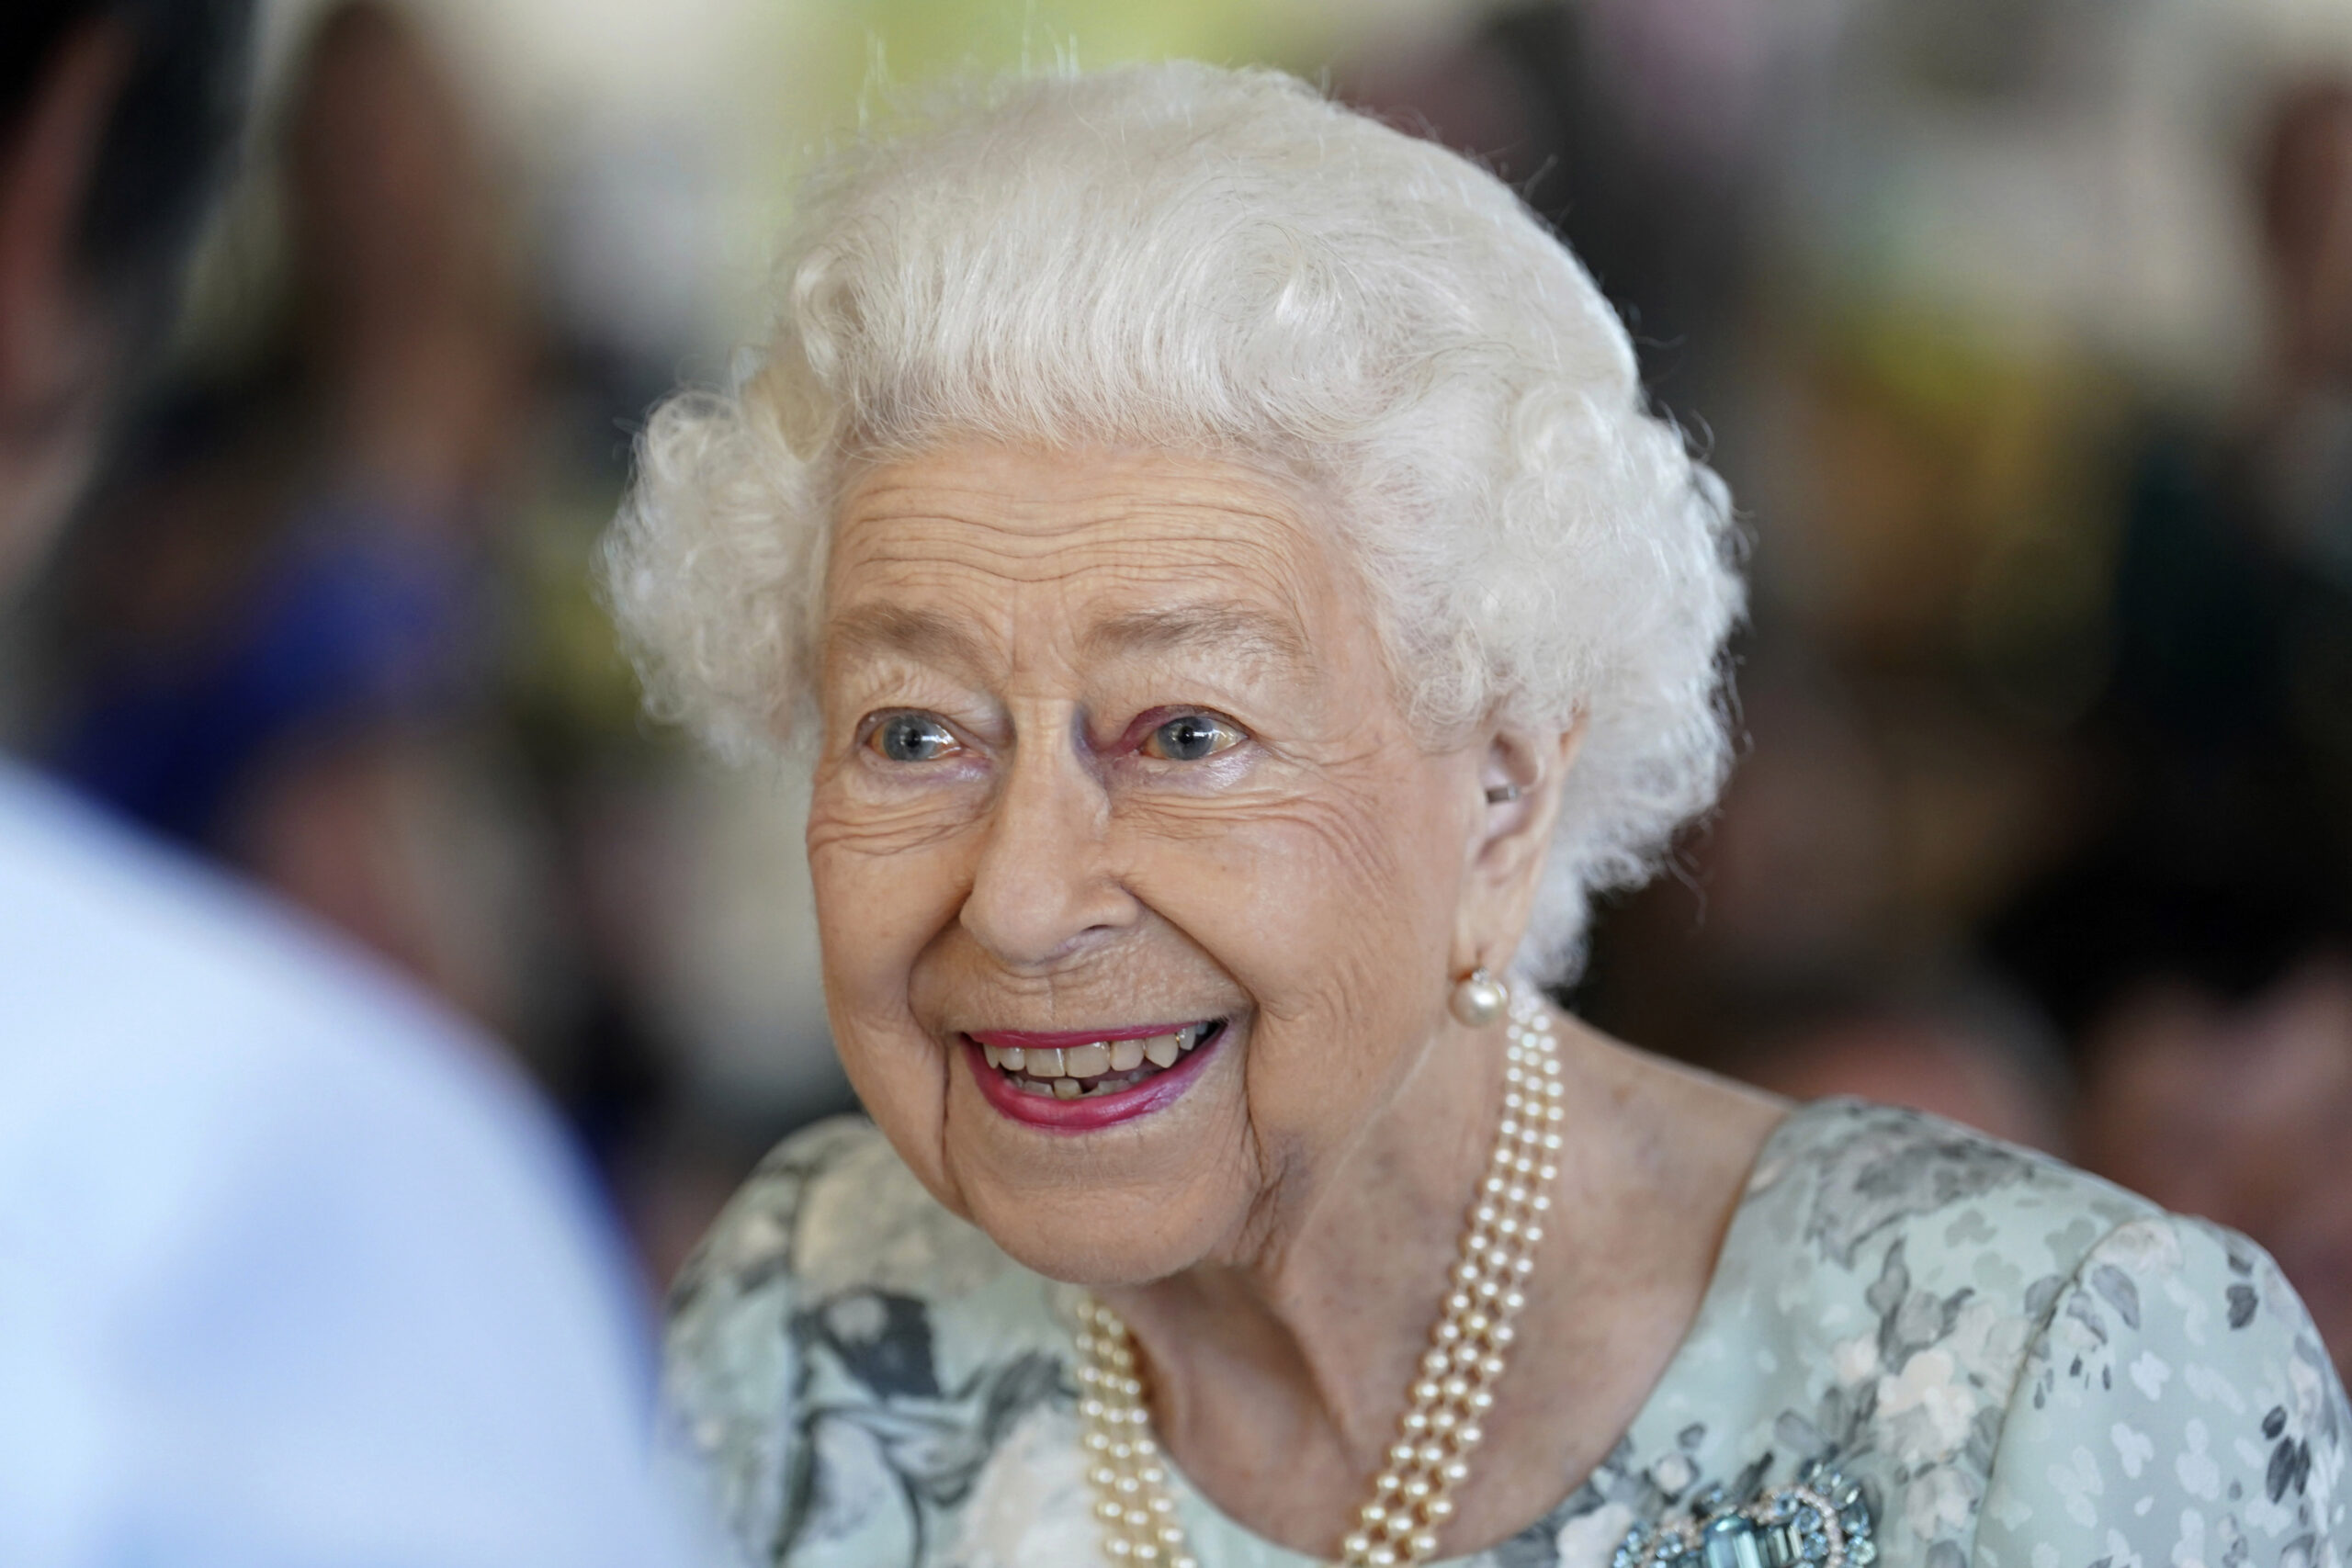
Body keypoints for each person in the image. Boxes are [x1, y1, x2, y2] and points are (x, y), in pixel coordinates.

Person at [616, 64, 2350, 1568]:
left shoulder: (2045, 1377)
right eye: (915, 732)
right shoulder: (808, 1325)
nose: (1018, 898)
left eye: (1188, 732)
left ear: (1505, 802)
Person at [0, 4, 698, 1563]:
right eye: (344, 147)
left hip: (573, 1028)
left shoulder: (602, 414)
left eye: (410, 142)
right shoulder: (205, 432)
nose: (383, 185)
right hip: (265, 984)